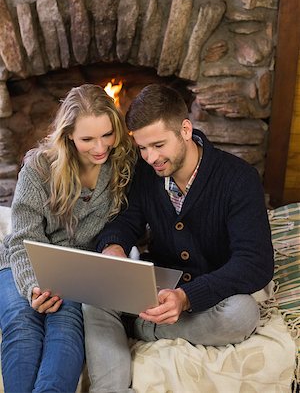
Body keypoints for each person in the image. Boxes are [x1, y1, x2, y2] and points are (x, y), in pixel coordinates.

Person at [83, 83, 274, 393]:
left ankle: (144, 328)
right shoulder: (146, 173)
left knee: (243, 314)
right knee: (94, 299)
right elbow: (126, 221)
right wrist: (113, 249)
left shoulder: (239, 179)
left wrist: (186, 298)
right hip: (157, 286)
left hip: (211, 291)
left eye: (158, 145)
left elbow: (254, 263)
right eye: (142, 147)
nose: (150, 157)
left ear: (186, 129)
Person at [0, 84, 136, 393]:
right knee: (23, 327)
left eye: (107, 134)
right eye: (88, 139)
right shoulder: (39, 168)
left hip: (77, 268)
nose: (100, 147)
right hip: (21, 264)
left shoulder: (124, 164)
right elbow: (22, 238)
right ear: (68, 136)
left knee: (66, 329)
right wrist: (33, 286)